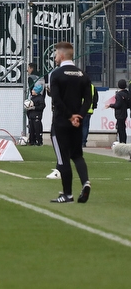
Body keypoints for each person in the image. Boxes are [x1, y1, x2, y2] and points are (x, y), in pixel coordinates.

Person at [47, 41, 93, 203]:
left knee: (63, 158)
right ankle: (85, 182)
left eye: (55, 54)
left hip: (61, 122)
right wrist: (79, 116)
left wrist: (69, 116)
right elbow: (89, 100)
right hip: (77, 123)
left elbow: (56, 99)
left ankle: (67, 194)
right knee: (78, 155)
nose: (54, 57)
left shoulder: (56, 74)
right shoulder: (82, 75)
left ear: (60, 55)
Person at [108, 79, 130, 144]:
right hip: (124, 113)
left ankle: (122, 142)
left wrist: (110, 105)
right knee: (123, 129)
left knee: (120, 129)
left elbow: (118, 105)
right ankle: (123, 142)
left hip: (119, 114)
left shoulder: (119, 94)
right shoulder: (127, 94)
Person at [26, 81, 46, 146]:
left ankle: (39, 141)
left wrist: (34, 108)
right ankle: (32, 141)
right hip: (31, 116)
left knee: (37, 129)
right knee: (31, 130)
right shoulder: (32, 98)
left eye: (34, 90)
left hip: (37, 116)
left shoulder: (40, 98)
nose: (32, 91)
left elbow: (42, 106)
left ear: (37, 91)